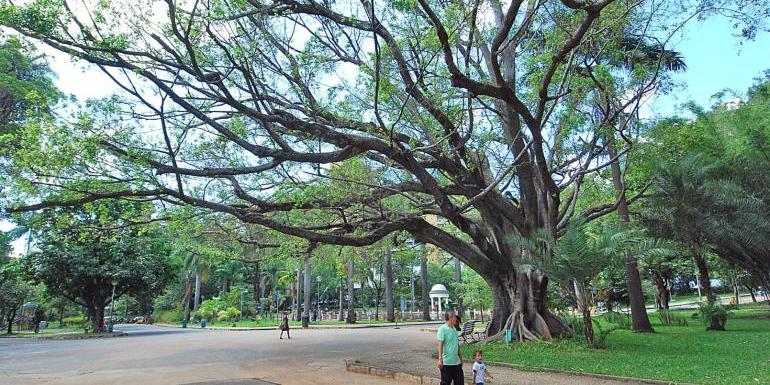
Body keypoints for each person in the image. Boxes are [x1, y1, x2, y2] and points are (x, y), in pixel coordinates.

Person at [437, 312, 463, 385]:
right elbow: (440, 345)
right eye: (455, 317)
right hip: (446, 363)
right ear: (450, 318)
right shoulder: (442, 329)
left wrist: (460, 358)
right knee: (445, 383)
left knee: (460, 383)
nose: (456, 318)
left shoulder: (454, 329)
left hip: (457, 362)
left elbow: (456, 345)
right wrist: (440, 359)